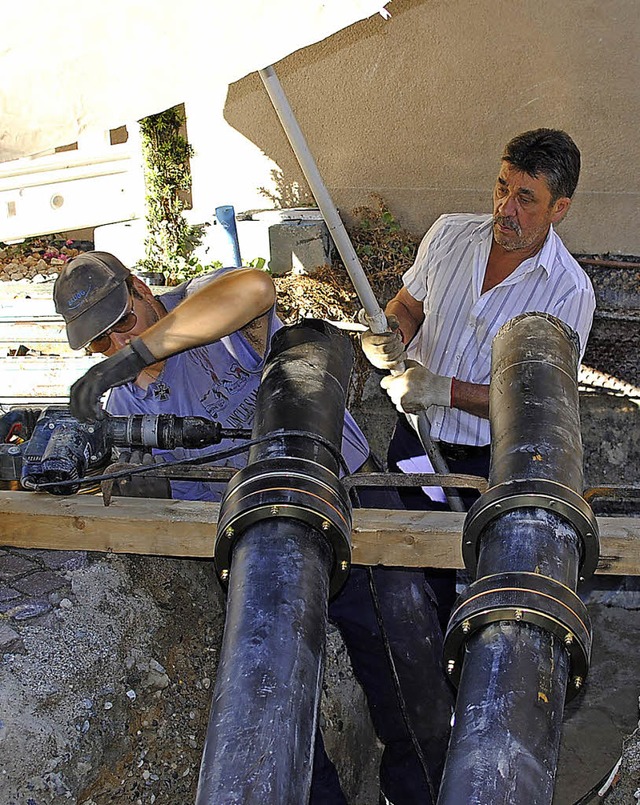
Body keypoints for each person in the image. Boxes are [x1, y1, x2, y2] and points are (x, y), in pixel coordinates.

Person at [53, 252, 453, 804]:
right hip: (260, 538)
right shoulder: (121, 407)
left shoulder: (202, 312)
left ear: (142, 289)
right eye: (101, 345)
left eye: (123, 324)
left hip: (346, 496)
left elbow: (255, 288)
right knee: (273, 699)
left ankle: (421, 793)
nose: (118, 346)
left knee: (409, 663)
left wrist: (135, 355)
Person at [360, 128, 596, 626]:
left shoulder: (569, 291)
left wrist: (440, 388)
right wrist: (391, 334)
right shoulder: (449, 235)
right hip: (417, 443)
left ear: (560, 209)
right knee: (412, 578)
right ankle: (424, 675)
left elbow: (536, 404)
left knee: (488, 592)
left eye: (526, 199)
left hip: (489, 466)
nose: (505, 208)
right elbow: (408, 303)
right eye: (501, 187)